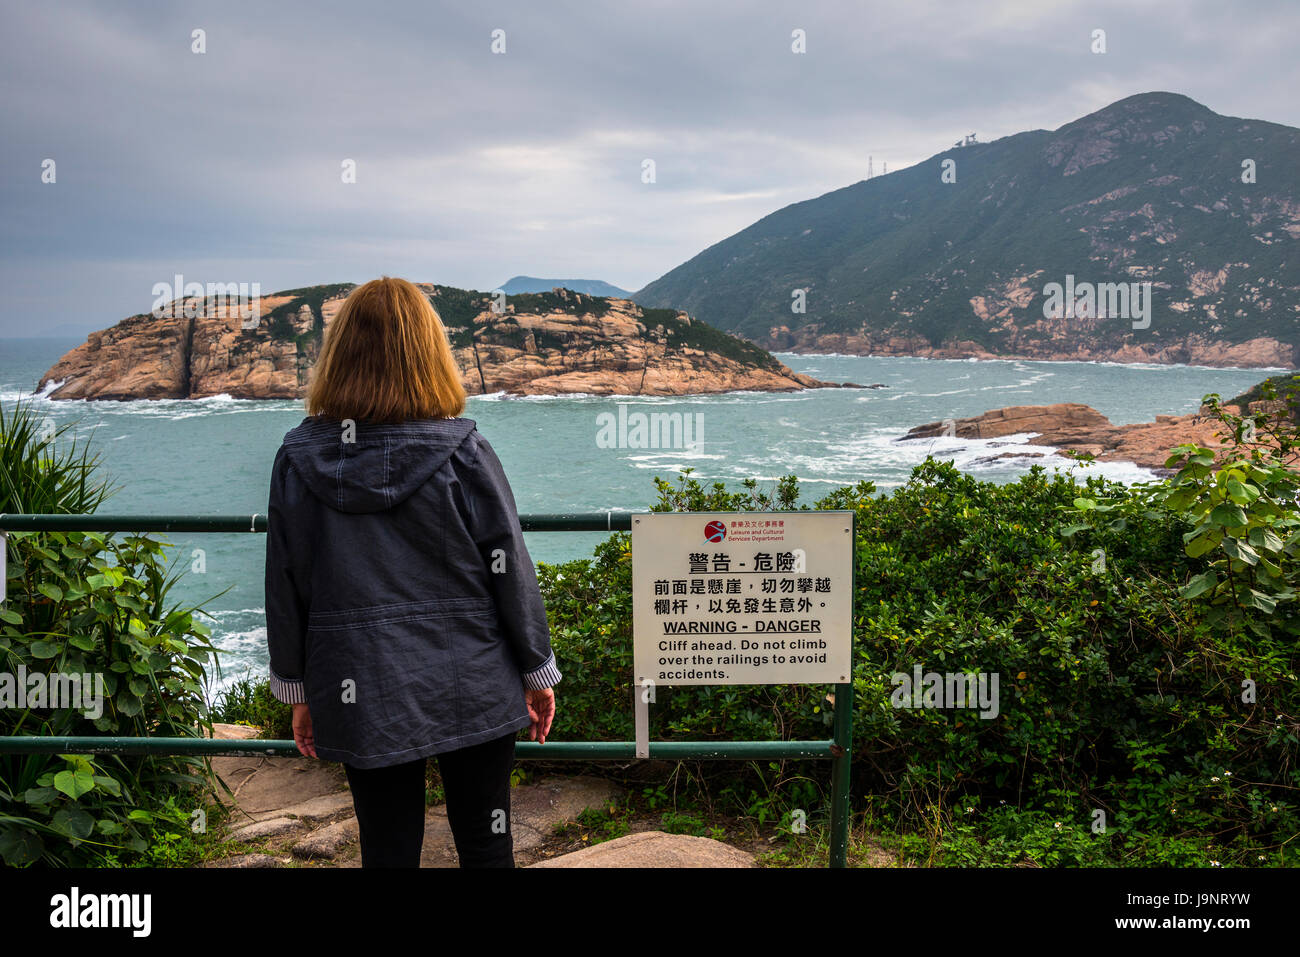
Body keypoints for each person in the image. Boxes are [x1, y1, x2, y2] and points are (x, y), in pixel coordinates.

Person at [263, 276, 559, 868]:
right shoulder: (464, 452)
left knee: (387, 848)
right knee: (484, 839)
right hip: (472, 676)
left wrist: (298, 688)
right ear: (430, 355)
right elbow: (509, 565)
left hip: (358, 679)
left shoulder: (298, 459)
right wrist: (536, 668)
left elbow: (285, 583)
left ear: (339, 354)